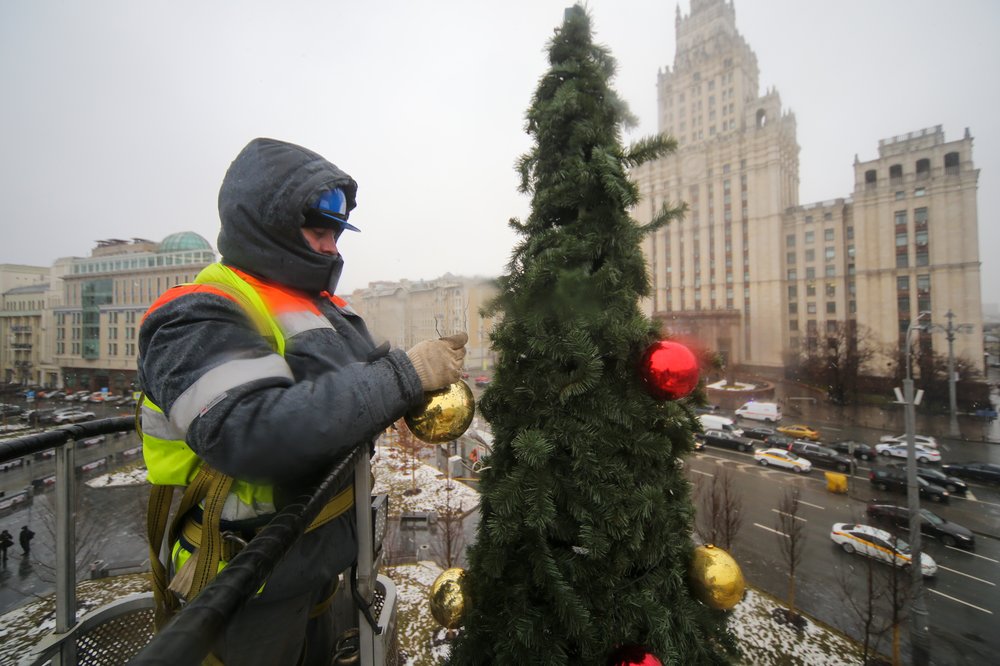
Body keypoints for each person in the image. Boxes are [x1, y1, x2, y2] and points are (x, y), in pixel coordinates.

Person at [138, 137, 466, 665]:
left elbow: (360, 377)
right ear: (267, 225)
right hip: (245, 579)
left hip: (312, 561)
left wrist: (414, 369)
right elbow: (254, 431)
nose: (333, 248)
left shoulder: (314, 305)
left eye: (336, 234)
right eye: (319, 231)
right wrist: (408, 372)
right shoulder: (198, 313)